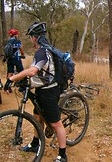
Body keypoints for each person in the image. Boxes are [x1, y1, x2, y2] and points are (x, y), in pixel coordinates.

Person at [3, 22, 68, 162]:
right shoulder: (40, 52)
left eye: (31, 36)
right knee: (38, 117)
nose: (31, 39)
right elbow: (37, 72)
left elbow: (33, 71)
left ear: (36, 37)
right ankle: (35, 143)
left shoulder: (43, 52)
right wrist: (22, 81)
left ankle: (63, 155)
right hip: (41, 89)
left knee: (56, 123)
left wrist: (11, 79)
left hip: (50, 91)